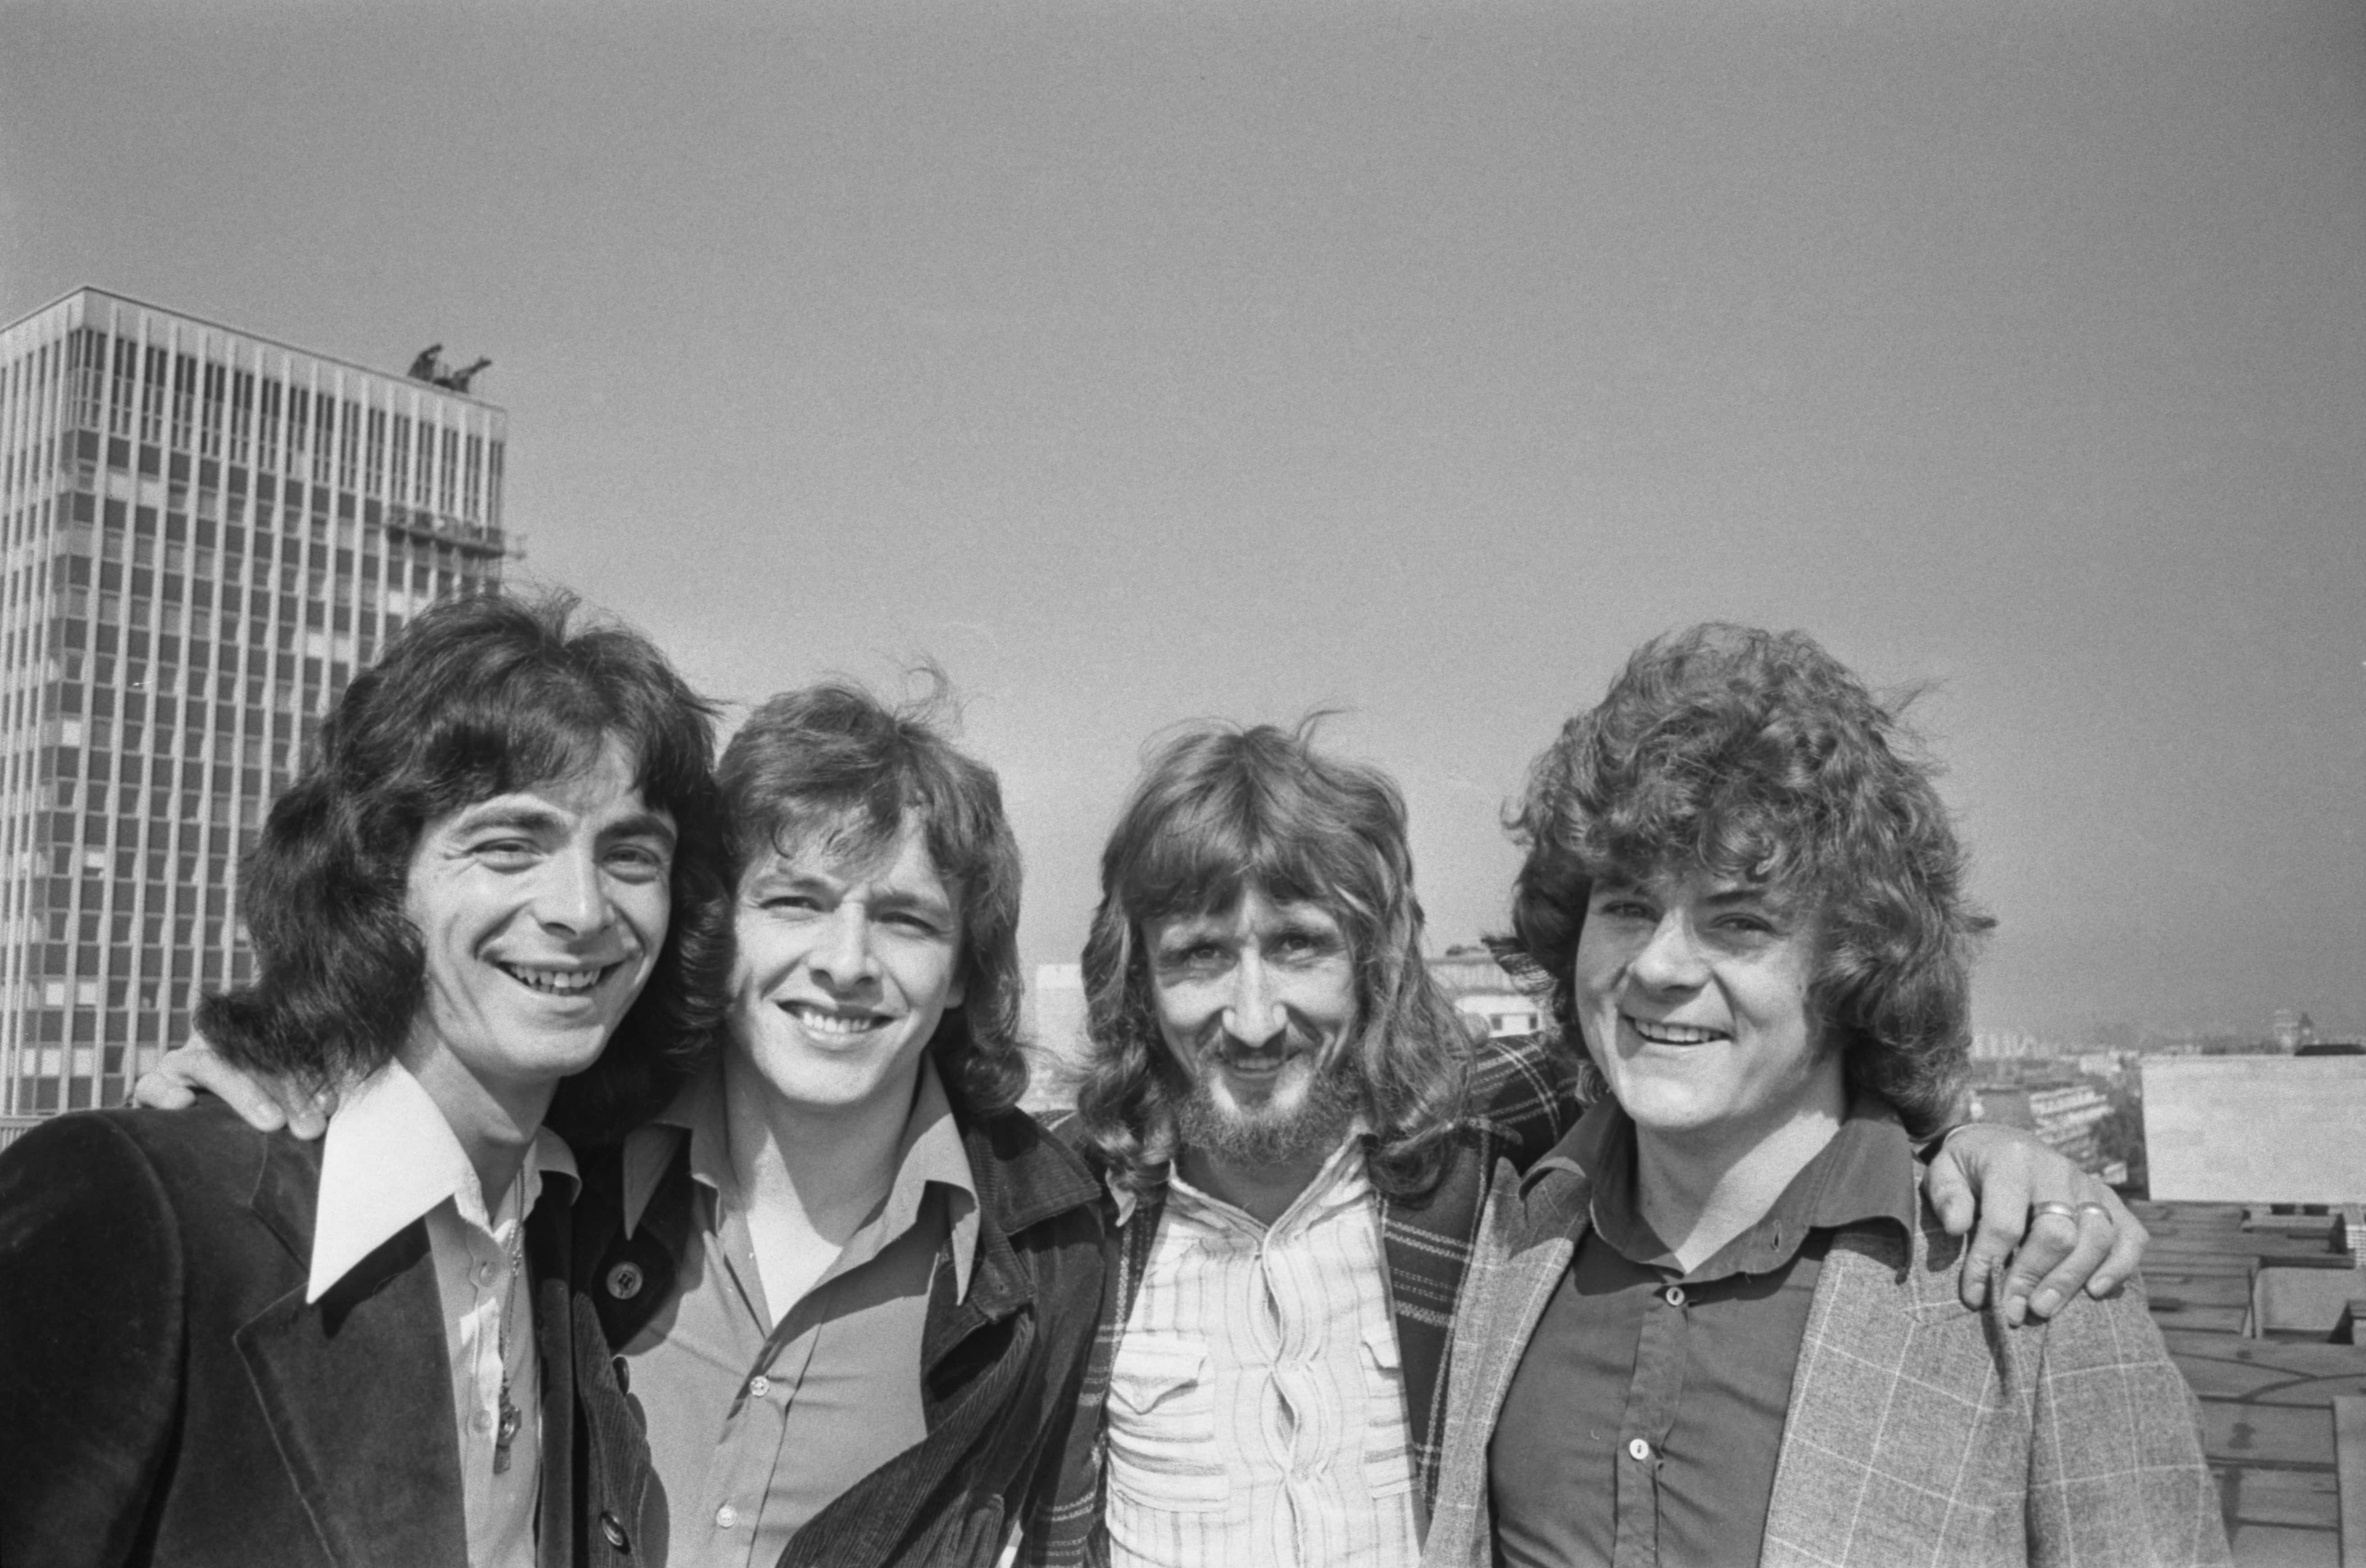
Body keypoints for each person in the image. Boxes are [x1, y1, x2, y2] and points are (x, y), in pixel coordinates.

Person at [1030, 719, 2150, 1568]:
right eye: (1198, 956)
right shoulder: (1065, 1223)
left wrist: (1969, 1141)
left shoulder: (1465, 1170)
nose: (1253, 1018)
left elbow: (1719, 1069)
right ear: (1136, 978)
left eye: (1299, 947)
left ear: (1373, 969)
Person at [137, 678, 1105, 1568]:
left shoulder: (1049, 1243)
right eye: (794, 903)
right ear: (714, 931)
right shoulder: (563, 1164)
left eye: (906, 920)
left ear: (962, 972)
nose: (846, 963)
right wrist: (278, 1057)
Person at [1421, 625, 2227, 1568]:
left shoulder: (2036, 1290)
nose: (1660, 966)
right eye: (1629, 908)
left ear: (1852, 964)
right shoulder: (1503, 1243)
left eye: (1739, 921)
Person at [0, 591, 724, 1567]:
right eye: (509, 847)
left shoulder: (573, 1225)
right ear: (379, 872)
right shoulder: (143, 1205)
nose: (582, 909)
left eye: (632, 855)